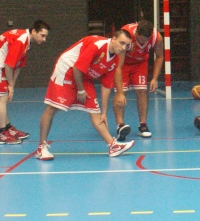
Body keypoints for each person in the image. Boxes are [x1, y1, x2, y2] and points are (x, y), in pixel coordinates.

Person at [35, 30, 135, 161]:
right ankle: (41, 147)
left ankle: (113, 146)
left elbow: (106, 86)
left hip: (83, 74)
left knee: (95, 112)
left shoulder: (115, 59)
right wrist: (81, 90)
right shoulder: (97, 46)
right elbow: (77, 68)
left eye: (126, 45)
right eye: (121, 43)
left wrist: (104, 112)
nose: (123, 48)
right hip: (67, 68)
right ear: (114, 38)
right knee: (53, 108)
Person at [0, 20, 51, 145]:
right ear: (34, 31)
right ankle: (2, 134)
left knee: (5, 96)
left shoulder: (27, 42)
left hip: (0, 66)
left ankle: (8, 128)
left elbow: (18, 66)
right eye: (42, 35)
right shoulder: (21, 40)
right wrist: (10, 85)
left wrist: (12, 85)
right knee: (2, 97)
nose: (44, 39)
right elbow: (9, 65)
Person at [99, 20, 164, 141]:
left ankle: (143, 125)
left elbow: (159, 57)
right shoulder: (126, 35)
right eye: (140, 39)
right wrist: (119, 92)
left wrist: (155, 78)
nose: (143, 42)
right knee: (121, 93)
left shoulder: (157, 38)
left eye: (146, 40)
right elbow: (118, 66)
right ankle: (120, 125)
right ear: (136, 34)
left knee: (142, 91)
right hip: (123, 64)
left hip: (140, 63)